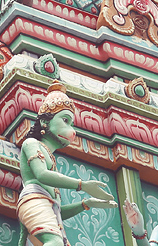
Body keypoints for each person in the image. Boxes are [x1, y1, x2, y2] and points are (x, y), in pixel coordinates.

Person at [17, 81, 115, 246]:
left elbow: (58, 210)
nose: (72, 130)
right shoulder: (31, 144)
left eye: (72, 124)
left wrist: (86, 204)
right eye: (65, 120)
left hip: (44, 204)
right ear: (44, 122)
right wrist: (82, 185)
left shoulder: (50, 158)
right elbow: (41, 174)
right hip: (33, 200)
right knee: (54, 243)